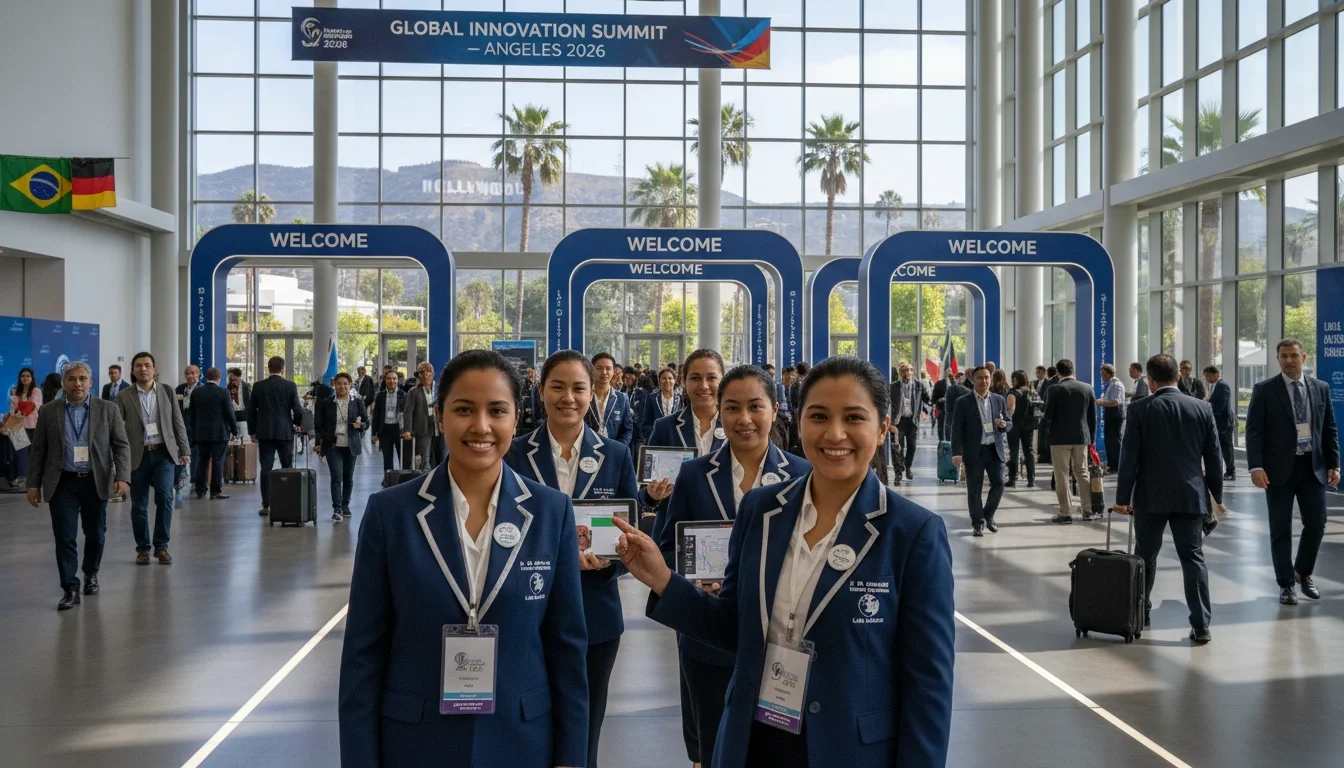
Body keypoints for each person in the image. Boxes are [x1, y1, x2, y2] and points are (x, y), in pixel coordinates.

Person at [613, 356, 955, 768]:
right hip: (756, 739)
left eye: (853, 417)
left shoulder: (912, 533)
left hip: (850, 749)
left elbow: (928, 684)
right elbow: (733, 628)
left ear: (882, 428)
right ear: (800, 421)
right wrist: (664, 579)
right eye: (819, 416)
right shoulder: (762, 511)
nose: (834, 433)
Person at [338, 350, 589, 768]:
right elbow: (363, 655)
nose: (481, 427)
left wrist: (570, 758)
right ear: (439, 416)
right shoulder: (390, 514)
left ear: (515, 418)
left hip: (521, 740)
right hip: (416, 744)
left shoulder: (550, 512)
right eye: (464, 410)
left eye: (497, 411)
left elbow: (567, 649)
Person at [651, 365, 811, 768]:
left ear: (775, 410)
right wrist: (690, 580)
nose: (744, 419)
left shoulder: (803, 475)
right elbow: (669, 548)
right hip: (708, 638)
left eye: (755, 407)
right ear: (718, 413)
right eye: (732, 408)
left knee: (777, 747)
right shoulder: (692, 474)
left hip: (781, 642)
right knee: (714, 743)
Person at [505, 350, 638, 768]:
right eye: (557, 387)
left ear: (592, 390)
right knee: (528, 727)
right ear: (540, 391)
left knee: (584, 729)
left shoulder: (615, 454)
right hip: (528, 613)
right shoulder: (514, 454)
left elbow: (626, 530)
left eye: (578, 387)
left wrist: (610, 557)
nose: (568, 397)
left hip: (595, 614)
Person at [1115, 354, 1224, 644]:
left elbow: (1129, 459)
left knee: (1145, 556)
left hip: (1150, 497)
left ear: (1150, 380)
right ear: (1178, 376)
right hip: (1190, 495)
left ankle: (1141, 611)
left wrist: (1123, 498)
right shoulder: (1202, 408)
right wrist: (1216, 495)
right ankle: (1201, 625)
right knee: (1192, 558)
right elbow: (1214, 458)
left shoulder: (1139, 409)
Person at [27, 362, 131, 610]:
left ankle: (90, 573)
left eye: (82, 378)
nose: (77, 384)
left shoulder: (108, 409)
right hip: (62, 482)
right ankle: (69, 588)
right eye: (71, 379)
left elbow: (121, 445)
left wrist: (123, 476)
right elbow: (38, 450)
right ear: (63, 383)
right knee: (64, 537)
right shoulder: (49, 411)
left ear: (91, 382)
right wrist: (33, 484)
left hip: (95, 481)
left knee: (96, 534)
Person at [1246, 338, 1341, 606]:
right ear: (1278, 359)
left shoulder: (1320, 388)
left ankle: (1303, 571)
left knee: (1316, 523)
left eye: (1294, 355)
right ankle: (1286, 583)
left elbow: (1329, 429)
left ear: (1304, 357)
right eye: (1284, 356)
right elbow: (1254, 432)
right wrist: (1256, 466)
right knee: (1280, 528)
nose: (1289, 360)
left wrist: (1335, 464)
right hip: (1277, 471)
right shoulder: (1264, 390)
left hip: (1313, 468)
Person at [116, 352, 190, 564]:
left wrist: (185, 450)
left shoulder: (166, 391)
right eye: (138, 366)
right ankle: (143, 548)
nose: (143, 369)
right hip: (137, 455)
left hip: (163, 453)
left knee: (165, 499)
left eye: (147, 365)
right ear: (132, 370)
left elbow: (178, 422)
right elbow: (117, 430)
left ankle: (162, 546)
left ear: (154, 369)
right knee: (139, 504)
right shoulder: (123, 396)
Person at [950, 367, 1011, 536]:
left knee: (999, 483)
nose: (983, 381)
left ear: (991, 379)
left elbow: (1009, 421)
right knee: (974, 489)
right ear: (972, 380)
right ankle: (977, 523)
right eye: (979, 378)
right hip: (974, 451)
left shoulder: (999, 399)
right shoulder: (963, 402)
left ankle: (988, 515)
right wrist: (956, 452)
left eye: (986, 378)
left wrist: (1004, 425)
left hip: (994, 449)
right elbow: (956, 429)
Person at [246, 356, 304, 517]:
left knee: (266, 468)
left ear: (268, 368)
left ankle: (267, 504)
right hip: (285, 432)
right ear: (283, 369)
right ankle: (288, 500)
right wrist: (296, 423)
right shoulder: (290, 386)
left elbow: (251, 412)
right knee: (287, 467)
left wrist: (252, 431)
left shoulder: (258, 386)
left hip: (264, 432)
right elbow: (298, 410)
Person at [1043, 359, 1095, 524]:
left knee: (1062, 475)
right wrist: (1091, 439)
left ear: (1058, 372)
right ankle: (1088, 510)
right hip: (1081, 437)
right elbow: (1092, 417)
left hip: (1059, 439)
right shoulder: (1087, 388)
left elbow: (1048, 416)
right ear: (1073, 371)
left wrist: (1045, 437)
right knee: (1082, 473)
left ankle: (1065, 512)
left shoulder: (1054, 389)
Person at [648, 350, 726, 456]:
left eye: (711, 378)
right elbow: (651, 471)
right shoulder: (664, 428)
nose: (704, 386)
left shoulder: (737, 427)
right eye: (695, 378)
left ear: (723, 381)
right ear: (684, 382)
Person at [315, 372, 367, 522]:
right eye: (339, 384)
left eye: (345, 383)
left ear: (350, 385)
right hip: (333, 444)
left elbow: (366, 422)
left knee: (348, 477)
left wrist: (360, 425)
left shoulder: (357, 402)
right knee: (336, 476)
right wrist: (318, 442)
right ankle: (337, 508)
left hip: (351, 444)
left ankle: (346, 505)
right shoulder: (326, 402)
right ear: (334, 385)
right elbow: (318, 425)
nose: (342, 386)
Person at [188, 367, 237, 500]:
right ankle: (215, 491)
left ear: (205, 377)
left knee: (201, 461)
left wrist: (192, 433)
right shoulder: (223, 392)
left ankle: (200, 489)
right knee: (217, 461)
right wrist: (234, 430)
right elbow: (229, 413)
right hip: (219, 434)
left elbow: (191, 415)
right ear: (219, 378)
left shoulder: (197, 392)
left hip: (201, 433)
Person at [889, 362, 929, 481]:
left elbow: (926, 399)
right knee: (897, 446)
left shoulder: (918, 385)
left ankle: (907, 466)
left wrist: (925, 411)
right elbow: (886, 403)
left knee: (912, 446)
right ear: (901, 373)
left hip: (912, 421)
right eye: (905, 371)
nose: (908, 373)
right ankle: (898, 472)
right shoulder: (893, 387)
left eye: (910, 370)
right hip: (898, 421)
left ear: (912, 372)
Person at [371, 369, 411, 480]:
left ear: (398, 380)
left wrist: (408, 430)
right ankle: (388, 479)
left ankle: (404, 479)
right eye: (389, 378)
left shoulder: (403, 395)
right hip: (385, 430)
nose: (391, 381)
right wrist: (374, 433)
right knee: (387, 457)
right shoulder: (380, 395)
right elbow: (376, 415)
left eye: (394, 378)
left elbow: (407, 414)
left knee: (403, 457)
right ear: (385, 380)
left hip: (399, 429)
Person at [590, 353, 635, 448]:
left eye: (608, 368)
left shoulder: (622, 398)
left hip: (613, 450)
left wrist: (618, 448)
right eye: (599, 368)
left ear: (613, 371)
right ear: (592, 370)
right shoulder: (584, 395)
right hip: (587, 452)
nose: (604, 372)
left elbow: (627, 429)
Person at [9, 366, 43, 490]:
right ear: (19, 378)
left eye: (28, 376)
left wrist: (21, 409)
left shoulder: (36, 391)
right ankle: (22, 478)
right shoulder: (14, 390)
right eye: (23, 376)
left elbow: (35, 405)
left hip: (33, 425)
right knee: (20, 455)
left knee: (33, 454)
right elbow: (13, 409)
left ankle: (33, 480)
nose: (25, 378)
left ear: (32, 378)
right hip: (18, 426)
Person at [403, 362, 437, 471]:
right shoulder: (413, 392)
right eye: (423, 372)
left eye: (429, 372)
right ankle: (426, 482)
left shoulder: (438, 389)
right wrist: (407, 430)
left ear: (433, 374)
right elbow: (408, 412)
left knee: (440, 457)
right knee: (425, 459)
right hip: (423, 428)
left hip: (439, 428)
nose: (426, 375)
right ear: (418, 376)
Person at [1204, 365, 1236, 481]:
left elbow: (1220, 407)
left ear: (1216, 374)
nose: (1207, 378)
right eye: (1206, 376)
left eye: (1209, 375)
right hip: (1220, 423)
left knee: (1227, 448)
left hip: (1224, 424)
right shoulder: (1216, 386)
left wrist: (1208, 405)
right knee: (1223, 448)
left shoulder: (1222, 386)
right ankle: (1227, 470)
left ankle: (1231, 471)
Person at [1006, 370, 1037, 489]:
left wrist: (1007, 418)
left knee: (1014, 451)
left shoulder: (1013, 392)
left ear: (1015, 379)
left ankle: (1012, 479)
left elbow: (1011, 408)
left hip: (1015, 425)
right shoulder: (1031, 391)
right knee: (1028, 451)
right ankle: (1031, 479)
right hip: (1029, 425)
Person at [1096, 364, 1126, 474]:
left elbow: (1115, 402)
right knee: (1109, 440)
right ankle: (1111, 464)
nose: (1102, 376)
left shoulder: (1116, 384)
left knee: (1114, 441)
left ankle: (1116, 465)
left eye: (1103, 374)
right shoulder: (1110, 384)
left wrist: (1099, 402)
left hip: (1115, 415)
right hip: (1110, 415)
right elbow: (1106, 398)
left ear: (1108, 373)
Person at [641, 367, 682, 442]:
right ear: (659, 381)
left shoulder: (681, 398)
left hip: (676, 441)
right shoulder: (652, 398)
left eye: (670, 378)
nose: (667, 381)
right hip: (657, 440)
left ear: (674, 380)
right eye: (664, 378)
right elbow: (646, 424)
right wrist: (655, 435)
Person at [1036, 365, 1059, 464]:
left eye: (1039, 372)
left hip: (1046, 412)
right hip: (1043, 412)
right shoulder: (1035, 383)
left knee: (1045, 435)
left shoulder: (1050, 383)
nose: (1037, 374)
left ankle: (1046, 456)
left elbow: (1046, 398)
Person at [227, 368, 251, 435]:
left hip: (243, 415)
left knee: (244, 437)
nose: (232, 382)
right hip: (232, 415)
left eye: (234, 380)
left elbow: (250, 401)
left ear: (239, 377)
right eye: (230, 379)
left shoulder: (246, 386)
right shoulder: (228, 387)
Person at [931, 369, 952, 441]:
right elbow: (934, 397)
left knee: (950, 427)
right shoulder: (939, 383)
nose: (949, 374)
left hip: (952, 410)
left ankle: (949, 442)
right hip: (941, 408)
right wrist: (935, 406)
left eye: (951, 372)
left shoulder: (956, 384)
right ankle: (941, 441)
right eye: (948, 372)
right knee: (940, 426)